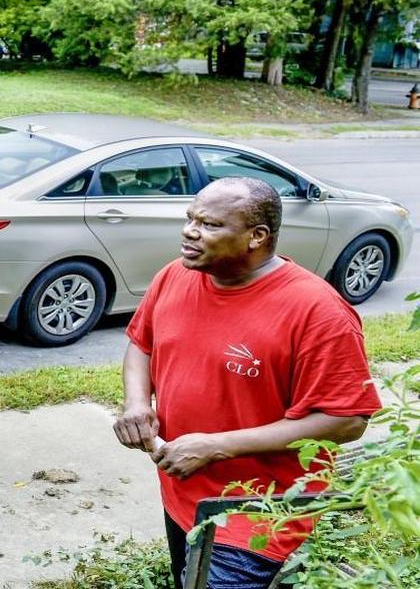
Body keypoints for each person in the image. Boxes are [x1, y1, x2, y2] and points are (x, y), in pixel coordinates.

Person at [112, 177, 382, 589]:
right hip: (183, 488)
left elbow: (347, 421)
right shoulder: (176, 275)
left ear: (257, 236)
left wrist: (217, 445)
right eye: (190, 219)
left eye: (210, 224)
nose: (190, 231)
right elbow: (141, 343)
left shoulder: (317, 312)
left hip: (258, 509)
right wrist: (136, 403)